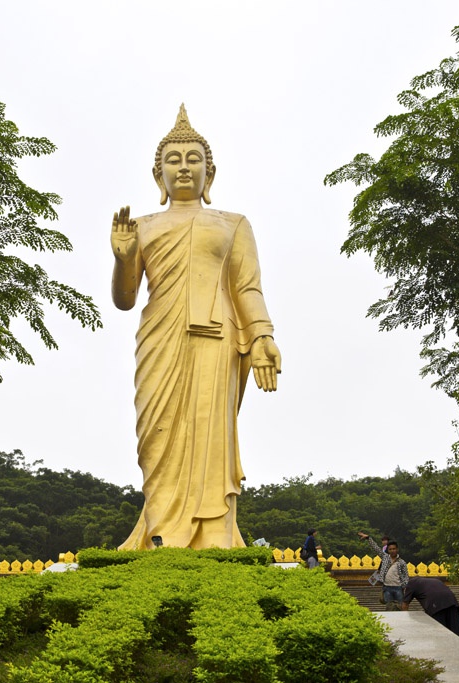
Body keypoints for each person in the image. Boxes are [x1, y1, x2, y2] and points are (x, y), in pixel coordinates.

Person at [113, 106, 281, 550]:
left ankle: (214, 533)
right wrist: (123, 258)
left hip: (216, 338)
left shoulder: (233, 224)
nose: (184, 167)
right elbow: (125, 299)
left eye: (194, 159)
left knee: (210, 432)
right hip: (160, 336)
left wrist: (262, 335)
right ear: (159, 175)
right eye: (173, 160)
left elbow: (247, 286)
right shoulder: (141, 227)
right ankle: (160, 533)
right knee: (157, 436)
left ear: (210, 172)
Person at [358, 532, 409, 608]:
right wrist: (368, 538)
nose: (392, 551)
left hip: (398, 588)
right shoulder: (385, 558)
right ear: (388, 550)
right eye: (390, 549)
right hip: (387, 587)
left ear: (397, 549)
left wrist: (405, 586)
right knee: (389, 608)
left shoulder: (402, 562)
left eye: (394, 549)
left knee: (400, 607)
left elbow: (406, 575)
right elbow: (376, 549)